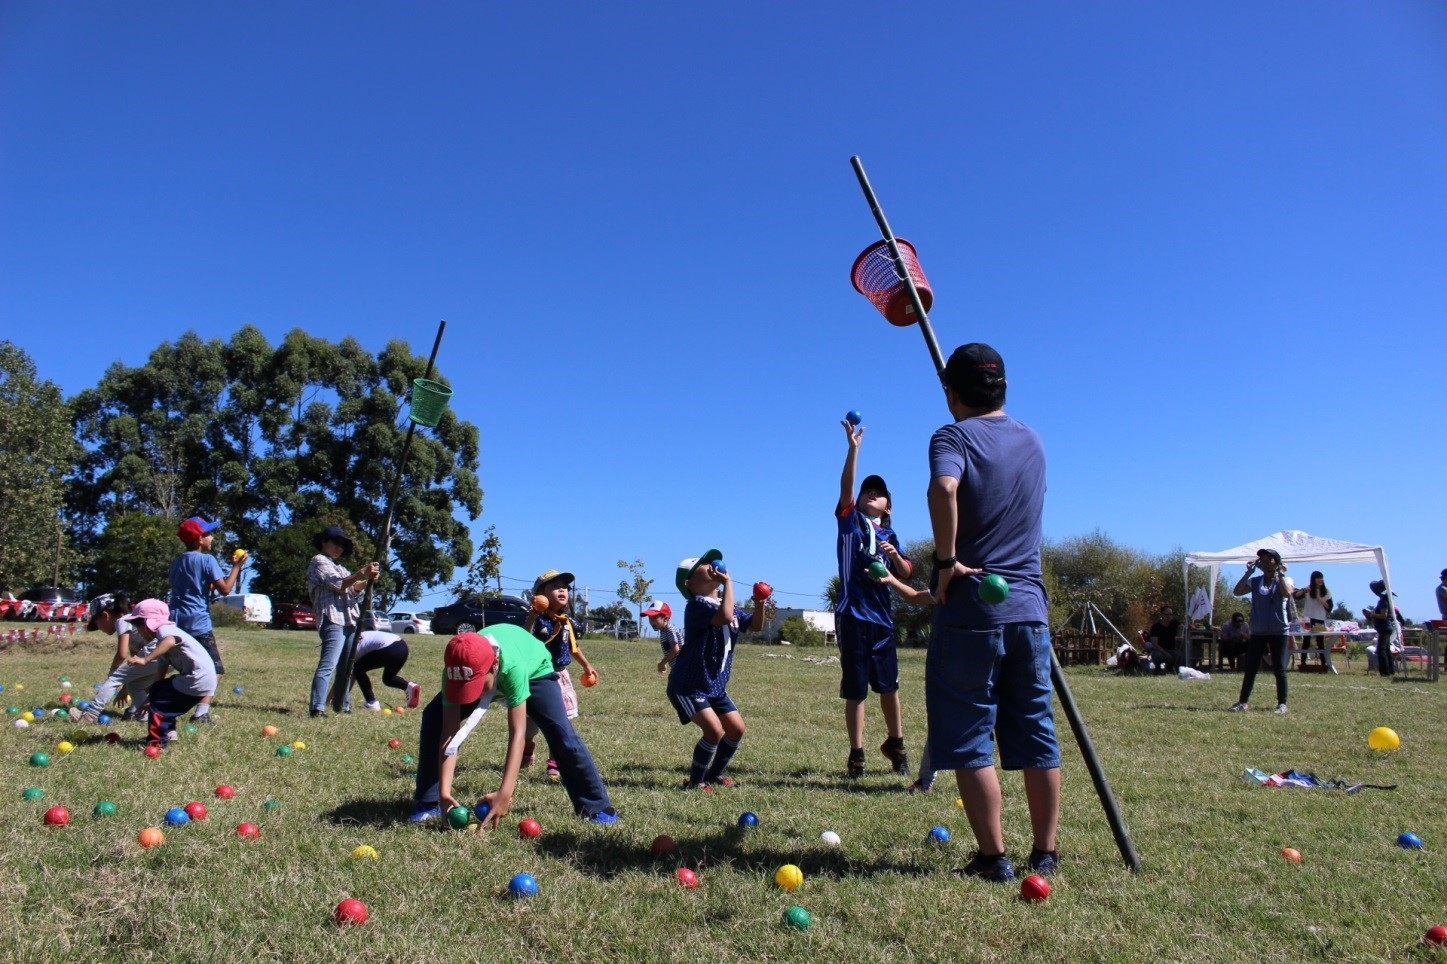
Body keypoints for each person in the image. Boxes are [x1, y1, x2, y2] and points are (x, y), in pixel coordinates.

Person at [925, 343, 1058, 883]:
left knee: (969, 733)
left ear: (952, 392)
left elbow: (944, 487)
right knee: (1035, 731)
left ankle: (993, 858)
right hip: (1030, 608)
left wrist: (946, 561)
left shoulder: (951, 436)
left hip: (972, 610)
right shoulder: (1033, 439)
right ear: (1002, 387)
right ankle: (1045, 853)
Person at [411, 626, 617, 825]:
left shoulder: (512, 667)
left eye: (475, 686)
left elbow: (518, 733)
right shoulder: (455, 672)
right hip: (479, 671)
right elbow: (449, 734)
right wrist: (445, 793)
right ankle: (430, 801)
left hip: (535, 670)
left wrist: (504, 793)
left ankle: (597, 807)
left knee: (560, 732)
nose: (470, 694)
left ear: (495, 664)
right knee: (433, 718)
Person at [833, 419, 914, 778]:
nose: (871, 493)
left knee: (889, 687)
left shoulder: (891, 535)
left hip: (882, 620)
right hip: (852, 616)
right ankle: (857, 753)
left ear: (888, 506)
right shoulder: (850, 522)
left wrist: (893, 558)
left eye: (878, 493)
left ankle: (895, 743)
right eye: (868, 490)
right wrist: (854, 450)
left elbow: (908, 572)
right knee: (857, 691)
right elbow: (847, 487)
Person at [667, 551, 767, 791]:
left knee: (736, 729)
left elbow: (754, 625)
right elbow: (724, 617)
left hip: (715, 685)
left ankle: (714, 774)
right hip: (689, 685)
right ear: (690, 584)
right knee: (714, 730)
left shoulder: (726, 605)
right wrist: (728, 583)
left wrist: (759, 603)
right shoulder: (696, 606)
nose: (710, 565)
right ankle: (695, 782)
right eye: (701, 565)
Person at [523, 569, 596, 782]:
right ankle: (528, 746)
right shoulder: (536, 619)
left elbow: (573, 648)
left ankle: (554, 762)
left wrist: (586, 665)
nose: (562, 590)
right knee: (530, 725)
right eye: (555, 586)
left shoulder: (566, 621)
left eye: (565, 587)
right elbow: (524, 638)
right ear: (540, 594)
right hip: (537, 677)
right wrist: (533, 615)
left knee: (560, 722)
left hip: (559, 675)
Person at [168, 516, 240, 723]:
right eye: (208, 534)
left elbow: (189, 587)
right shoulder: (207, 560)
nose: (212, 537)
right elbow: (225, 589)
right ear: (199, 539)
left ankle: (152, 703)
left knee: (187, 667)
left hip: (177, 621)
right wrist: (236, 567)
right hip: (198, 622)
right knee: (216, 670)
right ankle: (200, 712)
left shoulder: (178, 561)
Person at [119, 599, 218, 750]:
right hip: (201, 680)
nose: (137, 631)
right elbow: (160, 675)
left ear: (147, 623)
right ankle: (168, 733)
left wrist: (145, 659)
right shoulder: (161, 640)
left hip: (196, 678)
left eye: (137, 626)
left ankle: (156, 742)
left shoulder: (165, 630)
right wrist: (150, 697)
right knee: (161, 691)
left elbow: (170, 641)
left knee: (159, 707)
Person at [305, 525, 379, 717]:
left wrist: (370, 579)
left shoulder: (339, 566)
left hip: (349, 619)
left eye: (341, 545)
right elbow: (339, 584)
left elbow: (353, 588)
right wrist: (362, 572)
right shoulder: (318, 561)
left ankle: (342, 705)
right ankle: (317, 707)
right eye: (335, 543)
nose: (338, 548)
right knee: (328, 664)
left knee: (347, 667)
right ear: (324, 542)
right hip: (332, 619)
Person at [1229, 549, 1294, 714]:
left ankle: (1282, 703)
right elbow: (1237, 592)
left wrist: (1279, 575)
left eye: (1269, 559)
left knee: (1278, 667)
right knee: (1251, 667)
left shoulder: (1285, 580)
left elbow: (1287, 592)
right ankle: (1243, 702)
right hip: (1258, 631)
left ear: (1276, 562)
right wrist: (1247, 573)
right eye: (1262, 559)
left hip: (1279, 630)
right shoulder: (1256, 581)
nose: (1265, 562)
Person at [82, 593, 163, 723]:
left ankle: (90, 714)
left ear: (105, 616)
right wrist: (125, 687)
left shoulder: (123, 620)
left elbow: (122, 654)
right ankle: (147, 717)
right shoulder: (132, 623)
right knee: (135, 685)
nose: (98, 628)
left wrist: (113, 672)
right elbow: (134, 661)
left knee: (115, 678)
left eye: (96, 622)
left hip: (155, 653)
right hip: (164, 657)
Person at [349, 628, 420, 712]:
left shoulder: (352, 647)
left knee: (358, 668)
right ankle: (408, 686)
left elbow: (350, 675)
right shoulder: (360, 636)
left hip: (389, 648)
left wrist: (335, 697)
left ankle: (371, 702)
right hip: (402, 646)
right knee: (388, 679)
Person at [1292, 571, 1334, 669]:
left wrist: (1320, 599)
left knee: (1320, 641)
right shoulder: (1308, 589)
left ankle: (1323, 663)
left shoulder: (1326, 591)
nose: (1320, 580)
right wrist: (1303, 590)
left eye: (1321, 578)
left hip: (1319, 618)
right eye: (1318, 578)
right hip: (1307, 618)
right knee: (1306, 641)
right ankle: (1303, 662)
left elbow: (1329, 607)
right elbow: (1296, 595)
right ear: (1313, 579)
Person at [1363, 579, 1403, 677]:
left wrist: (1372, 614)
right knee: (1386, 649)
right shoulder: (1387, 600)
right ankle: (1391, 670)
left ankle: (1385, 671)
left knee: (1381, 650)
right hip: (1386, 627)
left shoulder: (1383, 601)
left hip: (1384, 627)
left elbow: (1383, 615)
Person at [644, 600, 683, 675]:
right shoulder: (663, 631)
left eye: (655, 618)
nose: (652, 621)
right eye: (650, 618)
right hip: (678, 666)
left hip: (682, 665)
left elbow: (675, 649)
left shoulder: (669, 629)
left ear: (666, 619)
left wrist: (663, 662)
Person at [1145, 606, 1181, 673]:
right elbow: (1154, 644)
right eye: (1166, 614)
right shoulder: (1155, 627)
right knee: (1157, 656)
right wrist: (1166, 654)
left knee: (1180, 656)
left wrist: (1189, 626)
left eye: (1171, 614)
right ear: (1161, 615)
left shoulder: (1175, 623)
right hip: (1160, 651)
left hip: (1172, 650)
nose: (1169, 616)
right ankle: (1157, 668)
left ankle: (1171, 668)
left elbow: (1183, 628)